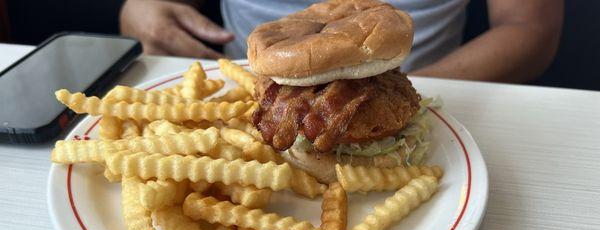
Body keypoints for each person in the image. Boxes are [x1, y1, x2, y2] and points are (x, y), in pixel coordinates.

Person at [120, 0, 563, 83]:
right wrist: (139, 11)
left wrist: (409, 93)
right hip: (239, 83)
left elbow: (530, 30)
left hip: (435, 81)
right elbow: (149, 8)